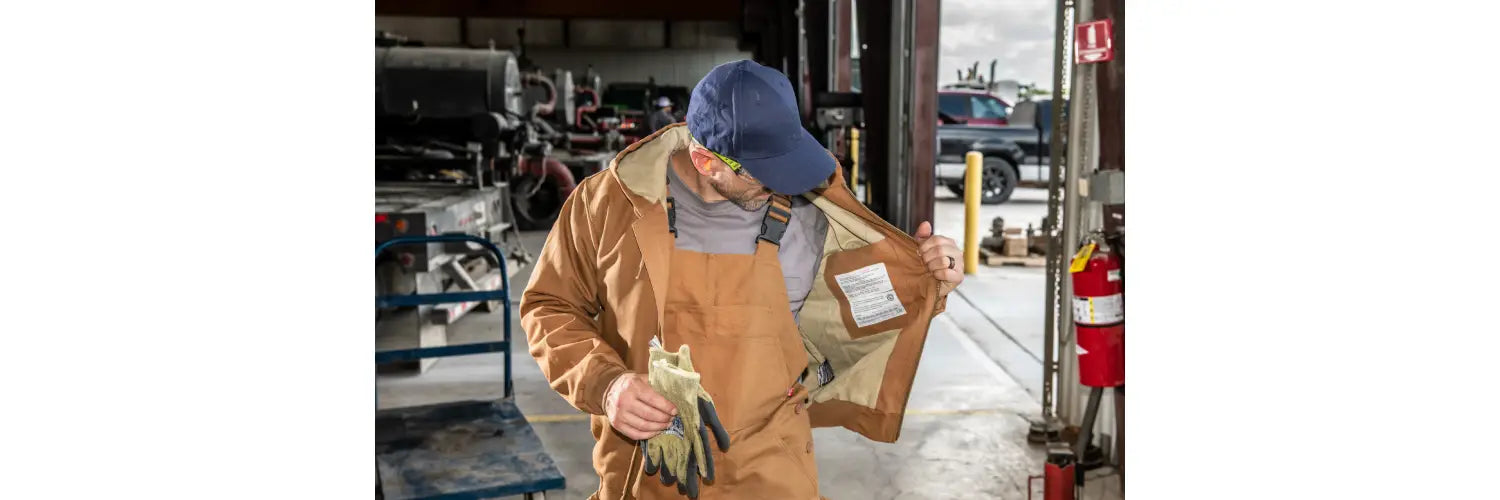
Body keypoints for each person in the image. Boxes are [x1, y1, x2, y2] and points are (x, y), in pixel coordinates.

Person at [521, 59, 964, 500]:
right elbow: (548, 306)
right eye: (764, 173)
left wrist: (928, 279)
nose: (783, 186)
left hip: (771, 468)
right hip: (648, 470)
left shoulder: (814, 215)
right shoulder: (606, 206)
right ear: (705, 160)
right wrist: (606, 383)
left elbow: (862, 313)